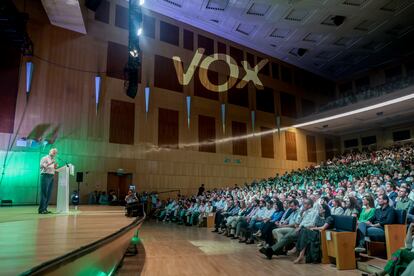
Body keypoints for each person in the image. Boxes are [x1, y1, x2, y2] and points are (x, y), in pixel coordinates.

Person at [38, 148, 58, 214]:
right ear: (50, 152)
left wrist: (55, 166)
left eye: (55, 152)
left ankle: (45, 208)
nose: (54, 153)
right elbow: (41, 166)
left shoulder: (53, 160)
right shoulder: (45, 158)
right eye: (53, 152)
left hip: (51, 176)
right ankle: (41, 209)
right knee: (44, 193)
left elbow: (52, 168)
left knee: (49, 193)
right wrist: (50, 163)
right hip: (45, 175)